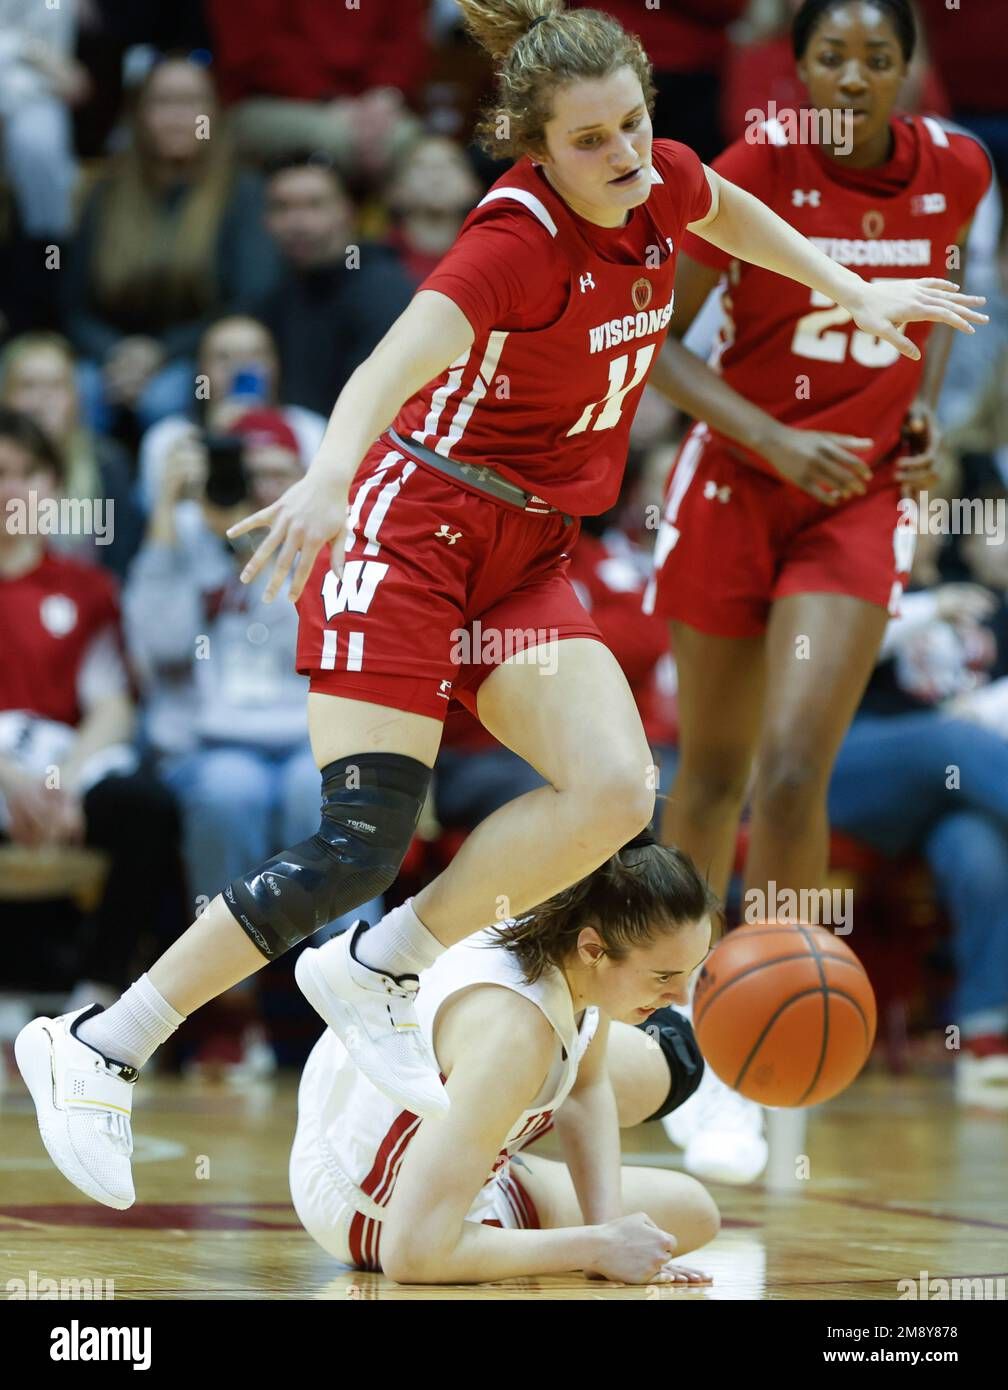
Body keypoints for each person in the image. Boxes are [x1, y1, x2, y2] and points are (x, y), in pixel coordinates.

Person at [16, 0, 984, 1213]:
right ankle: (99, 1044)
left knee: (619, 791)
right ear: (535, 146)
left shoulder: (662, 178)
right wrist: (325, 478)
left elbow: (725, 208)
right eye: (591, 141)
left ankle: (386, 962)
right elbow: (388, 367)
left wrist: (858, 288)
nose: (627, 155)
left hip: (527, 549)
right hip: (417, 531)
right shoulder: (513, 239)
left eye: (634, 124)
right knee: (355, 840)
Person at [644, 0, 992, 941]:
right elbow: (655, 343)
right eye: (832, 56)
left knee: (794, 771)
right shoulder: (757, 165)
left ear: (909, 71)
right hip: (735, 482)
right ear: (797, 68)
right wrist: (775, 440)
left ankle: (776, 1030)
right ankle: (675, 1015)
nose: (853, 76)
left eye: (877, 58)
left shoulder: (958, 167)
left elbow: (941, 300)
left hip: (857, 497)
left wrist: (919, 405)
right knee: (712, 775)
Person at [290, 834, 719, 1284]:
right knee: (440, 1243)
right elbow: (411, 1255)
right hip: (369, 1208)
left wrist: (608, 1229)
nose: (681, 996)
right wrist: (598, 1245)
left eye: (692, 972)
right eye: (664, 977)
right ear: (594, 950)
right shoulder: (514, 1033)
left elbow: (587, 1087)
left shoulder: (576, 942)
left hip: (390, 1156)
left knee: (692, 1212)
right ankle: (464, 1204)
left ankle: (470, 1188)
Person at [0, 407, 182, 1008]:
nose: (13, 489)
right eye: (1, 472)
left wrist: (65, 782)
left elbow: (111, 705)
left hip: (60, 758)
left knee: (144, 806)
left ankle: (98, 1000)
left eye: (29, 473)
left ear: (53, 486)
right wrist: (11, 780)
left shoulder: (87, 588)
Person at [62, 55, 281, 436]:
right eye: (162, 103)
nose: (177, 116)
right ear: (139, 115)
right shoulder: (105, 192)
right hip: (110, 358)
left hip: (196, 356)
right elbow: (72, 304)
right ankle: (86, 495)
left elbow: (251, 299)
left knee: (164, 398)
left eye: (190, 102)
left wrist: (160, 352)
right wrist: (115, 354)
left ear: (213, 112)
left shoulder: (242, 192)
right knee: (78, 390)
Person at [254, 156, 415, 418]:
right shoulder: (276, 291)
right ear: (265, 220)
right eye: (281, 207)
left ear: (346, 211)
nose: (296, 221)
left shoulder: (382, 291)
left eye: (314, 205)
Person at [135, 314, 327, 515]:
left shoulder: (310, 430)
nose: (241, 369)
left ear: (275, 366)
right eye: (223, 358)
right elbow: (156, 541)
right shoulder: (169, 438)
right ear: (201, 372)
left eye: (256, 355)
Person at [0, 333, 143, 580]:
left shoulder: (107, 462)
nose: (42, 399)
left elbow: (119, 564)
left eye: (56, 385)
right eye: (28, 385)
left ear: (76, 398)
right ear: (5, 396)